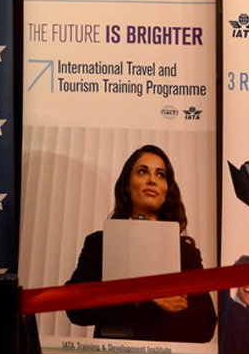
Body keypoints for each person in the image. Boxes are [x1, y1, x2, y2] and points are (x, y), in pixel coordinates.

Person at [66, 145, 216, 343]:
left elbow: (205, 326)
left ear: (167, 189)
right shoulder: (99, 243)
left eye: (160, 174)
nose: (152, 180)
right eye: (143, 171)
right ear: (127, 185)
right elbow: (75, 310)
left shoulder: (186, 253)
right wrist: (146, 297)